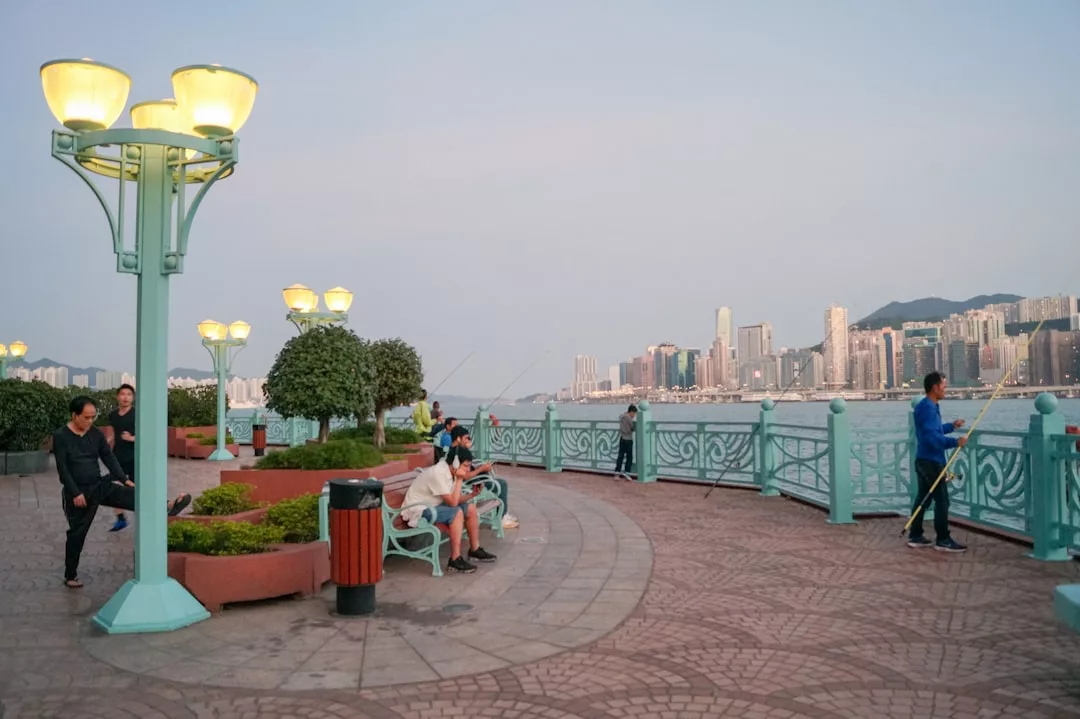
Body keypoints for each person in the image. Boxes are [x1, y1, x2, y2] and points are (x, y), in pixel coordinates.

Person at [55, 395, 192, 588]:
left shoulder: (95, 434)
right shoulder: (61, 436)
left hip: (98, 485)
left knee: (133, 497)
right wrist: (75, 493)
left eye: (93, 417)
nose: (90, 421)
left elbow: (108, 458)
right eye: (86, 417)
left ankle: (167, 506)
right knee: (77, 534)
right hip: (78, 493)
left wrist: (124, 479)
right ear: (74, 415)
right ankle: (70, 574)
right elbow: (63, 469)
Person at [400, 448, 498, 574]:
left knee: (470, 509)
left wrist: (472, 495)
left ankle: (475, 550)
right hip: (418, 510)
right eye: (466, 466)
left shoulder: (448, 471)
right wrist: (459, 480)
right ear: (456, 463)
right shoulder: (439, 473)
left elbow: (455, 499)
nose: (468, 470)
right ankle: (455, 559)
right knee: (456, 513)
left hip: (433, 506)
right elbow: (453, 502)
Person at [908, 372, 968, 553]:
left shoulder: (927, 406)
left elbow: (934, 430)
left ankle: (916, 535)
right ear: (935, 387)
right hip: (931, 461)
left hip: (924, 459)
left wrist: (951, 426)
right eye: (944, 386)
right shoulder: (928, 408)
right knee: (942, 500)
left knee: (923, 498)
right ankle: (943, 539)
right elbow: (932, 438)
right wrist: (955, 442)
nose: (945, 389)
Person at [107, 384, 136, 532]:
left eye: (129, 394)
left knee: (136, 487)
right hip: (117, 456)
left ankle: (145, 515)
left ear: (133, 397)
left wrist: (132, 438)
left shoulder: (137, 414)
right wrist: (107, 442)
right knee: (114, 487)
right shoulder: (112, 415)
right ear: (117, 397)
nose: (125, 397)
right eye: (122, 394)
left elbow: (148, 435)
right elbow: (114, 432)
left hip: (135, 456)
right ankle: (120, 519)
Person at [615, 404, 637, 479]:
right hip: (628, 439)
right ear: (631, 412)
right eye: (634, 413)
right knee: (629, 457)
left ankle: (617, 472)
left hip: (622, 438)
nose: (634, 415)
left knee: (620, 456)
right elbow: (632, 427)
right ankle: (627, 472)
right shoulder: (629, 419)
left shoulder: (622, 417)